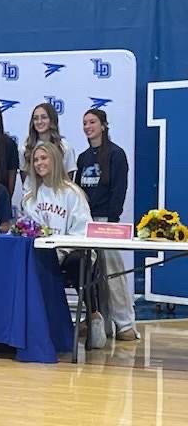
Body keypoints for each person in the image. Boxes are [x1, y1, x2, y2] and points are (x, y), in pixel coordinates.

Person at [22, 142, 107, 349]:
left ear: (55, 160)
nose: (39, 163)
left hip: (72, 250)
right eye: (35, 160)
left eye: (43, 158)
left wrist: (61, 248)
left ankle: (94, 316)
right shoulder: (31, 197)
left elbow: (83, 230)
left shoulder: (72, 193)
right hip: (45, 253)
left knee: (78, 262)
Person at [76, 108, 138, 342]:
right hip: (86, 223)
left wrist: (111, 221)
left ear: (103, 125)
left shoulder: (116, 154)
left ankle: (125, 324)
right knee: (92, 274)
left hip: (106, 223)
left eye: (92, 122)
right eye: (84, 123)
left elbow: (118, 190)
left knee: (114, 272)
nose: (88, 126)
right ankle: (101, 322)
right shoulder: (83, 158)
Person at [19, 103, 76, 191]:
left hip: (58, 200)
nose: (39, 122)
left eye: (44, 117)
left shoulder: (65, 147)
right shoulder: (25, 148)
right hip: (32, 199)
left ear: (52, 120)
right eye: (35, 118)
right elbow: (24, 177)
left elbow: (69, 178)